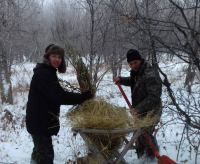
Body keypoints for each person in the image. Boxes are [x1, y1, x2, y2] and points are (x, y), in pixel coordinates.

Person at [26, 44, 93, 164]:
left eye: (59, 57)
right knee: (45, 157)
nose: (57, 59)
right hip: (40, 123)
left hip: (39, 122)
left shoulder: (47, 71)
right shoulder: (43, 74)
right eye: (53, 56)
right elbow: (59, 96)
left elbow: (55, 95)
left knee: (38, 153)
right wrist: (82, 97)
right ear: (47, 57)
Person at [113, 49, 162, 160]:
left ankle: (152, 157)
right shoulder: (137, 72)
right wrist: (120, 80)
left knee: (145, 134)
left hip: (152, 110)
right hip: (140, 111)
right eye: (131, 64)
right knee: (138, 134)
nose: (133, 65)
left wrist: (137, 109)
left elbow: (154, 96)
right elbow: (133, 81)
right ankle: (141, 157)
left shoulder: (150, 73)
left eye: (135, 62)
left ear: (140, 60)